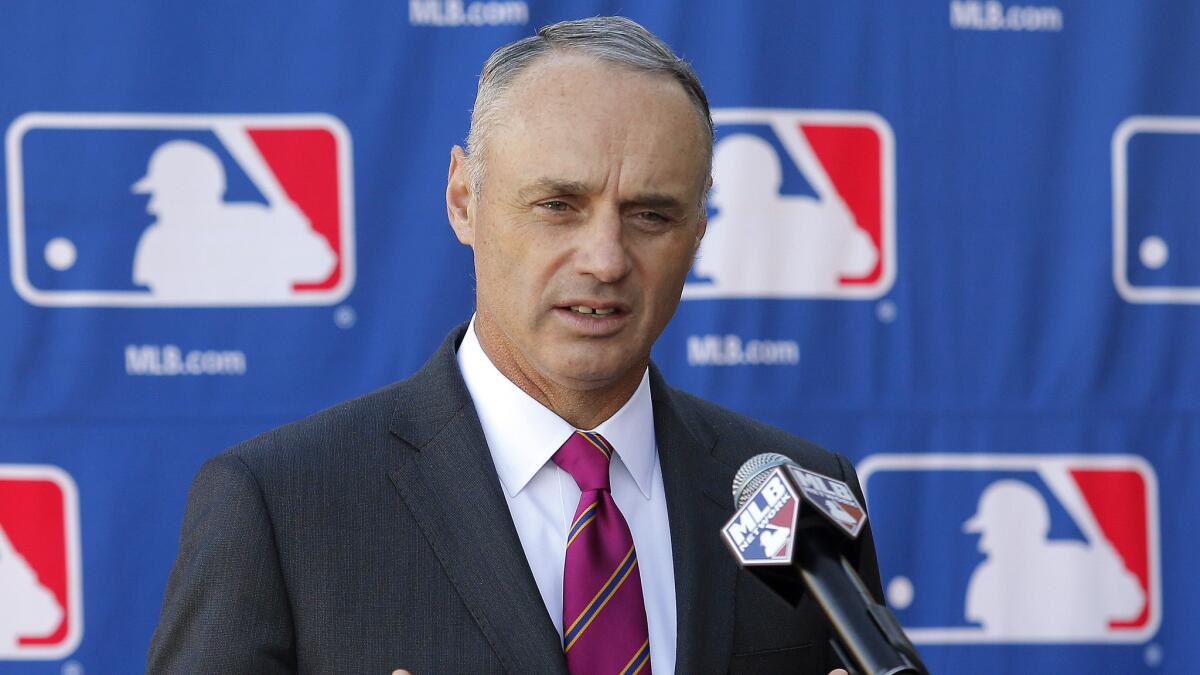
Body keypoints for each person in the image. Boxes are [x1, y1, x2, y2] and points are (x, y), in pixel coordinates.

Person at [147, 16, 882, 674]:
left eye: (650, 214)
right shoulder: (281, 505)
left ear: (698, 231)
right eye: (558, 205)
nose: (605, 257)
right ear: (464, 198)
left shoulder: (799, 495)